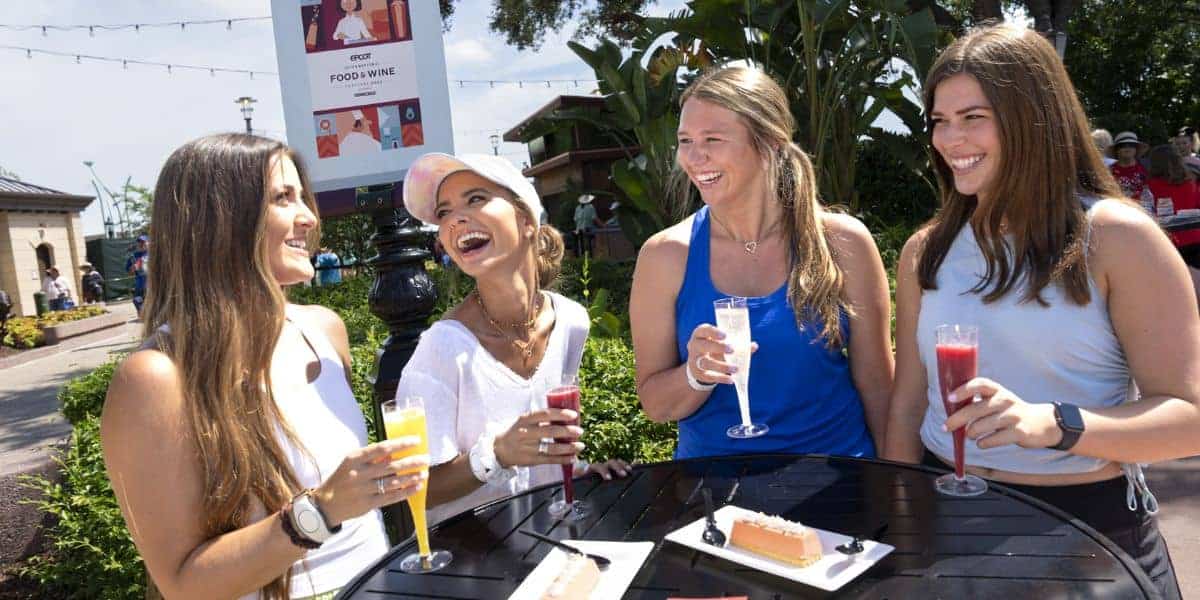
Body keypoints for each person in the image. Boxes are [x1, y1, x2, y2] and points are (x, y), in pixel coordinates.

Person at [881, 24, 1197, 599]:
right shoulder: (924, 250)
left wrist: (1054, 425)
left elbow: (1187, 417)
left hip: (1082, 536)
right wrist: (900, 522)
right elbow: (907, 403)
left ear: (1032, 117)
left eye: (973, 117)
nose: (950, 139)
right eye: (939, 121)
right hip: (946, 516)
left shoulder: (1118, 237)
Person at [101, 134, 428, 600]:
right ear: (221, 221)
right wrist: (320, 511)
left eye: (302, 197)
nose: (309, 217)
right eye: (282, 198)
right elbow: (183, 584)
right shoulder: (157, 377)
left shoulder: (324, 332)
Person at [629, 66, 893, 460]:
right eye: (685, 140)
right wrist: (694, 375)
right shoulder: (664, 256)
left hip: (839, 484)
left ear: (770, 143)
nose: (695, 157)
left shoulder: (843, 243)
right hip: (715, 490)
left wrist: (898, 490)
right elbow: (655, 405)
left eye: (712, 139)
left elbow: (877, 383)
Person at [395, 153, 631, 525]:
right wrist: (498, 453)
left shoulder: (570, 321)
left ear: (525, 220)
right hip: (478, 563)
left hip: (554, 542)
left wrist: (583, 472)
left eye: (475, 199)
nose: (455, 219)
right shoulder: (440, 350)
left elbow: (550, 443)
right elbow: (417, 491)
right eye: (444, 213)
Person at [1147, 144, 1200, 266]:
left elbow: (1146, 212)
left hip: (1168, 241)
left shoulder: (1150, 186)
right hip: (1195, 237)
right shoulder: (1191, 183)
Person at [1109, 130, 1151, 203]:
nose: (1127, 148)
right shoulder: (1109, 171)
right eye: (1122, 145)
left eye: (1131, 145)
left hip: (1143, 210)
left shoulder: (1146, 167)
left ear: (1136, 149)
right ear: (1116, 150)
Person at [126, 235, 149, 316]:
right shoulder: (133, 256)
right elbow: (129, 271)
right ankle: (142, 313)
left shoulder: (154, 254)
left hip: (153, 281)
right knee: (137, 299)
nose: (141, 244)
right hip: (140, 282)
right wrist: (132, 268)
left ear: (148, 243)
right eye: (139, 242)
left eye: (143, 242)